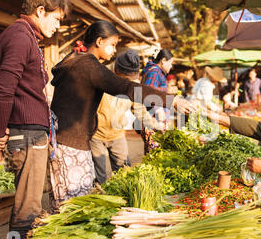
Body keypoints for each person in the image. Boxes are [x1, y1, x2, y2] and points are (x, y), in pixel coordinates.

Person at [48, 21, 194, 207]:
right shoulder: (89, 66)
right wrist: (172, 101)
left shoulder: (79, 61)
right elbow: (126, 87)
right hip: (71, 144)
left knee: (75, 199)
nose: (114, 51)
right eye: (112, 45)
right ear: (99, 41)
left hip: (71, 141)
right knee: (71, 204)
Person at [0, 0, 71, 239]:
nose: (58, 26)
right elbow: (3, 91)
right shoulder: (20, 38)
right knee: (27, 211)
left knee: (29, 204)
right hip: (27, 135)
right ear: (41, 11)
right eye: (56, 19)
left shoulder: (23, 37)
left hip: (31, 133)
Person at [90, 50, 166, 185]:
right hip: (96, 134)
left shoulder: (132, 84)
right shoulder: (101, 76)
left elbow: (139, 110)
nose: (128, 83)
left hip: (117, 134)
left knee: (125, 172)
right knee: (99, 176)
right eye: (126, 79)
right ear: (117, 71)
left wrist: (155, 124)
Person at [140, 49, 174, 153]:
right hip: (154, 121)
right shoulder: (154, 72)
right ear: (163, 60)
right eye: (170, 63)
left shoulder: (157, 72)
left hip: (157, 121)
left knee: (156, 154)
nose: (171, 66)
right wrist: (159, 111)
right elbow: (148, 93)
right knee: (155, 154)